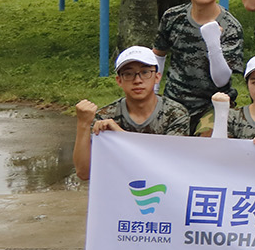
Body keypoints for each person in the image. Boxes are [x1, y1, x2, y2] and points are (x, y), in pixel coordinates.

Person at [154, 0, 242, 132]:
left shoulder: (231, 26)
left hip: (213, 103)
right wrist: (153, 92)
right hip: (174, 101)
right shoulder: (172, 17)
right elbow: (158, 54)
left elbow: (222, 79)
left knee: (210, 141)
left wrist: (213, 42)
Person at [73, 47, 192, 179]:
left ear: (157, 77)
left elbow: (170, 163)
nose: (137, 80)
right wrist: (83, 124)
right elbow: (84, 172)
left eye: (145, 72)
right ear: (119, 80)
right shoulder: (105, 116)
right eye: (128, 74)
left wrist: (120, 135)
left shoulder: (175, 113)